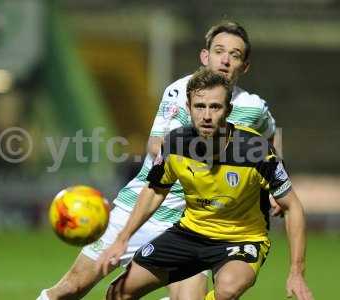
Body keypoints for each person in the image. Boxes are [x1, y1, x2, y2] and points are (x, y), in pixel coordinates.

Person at [37, 21, 280, 300]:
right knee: (72, 288)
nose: (225, 60)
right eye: (219, 51)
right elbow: (156, 145)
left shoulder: (253, 107)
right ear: (205, 56)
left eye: (234, 55)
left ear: (244, 65)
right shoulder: (182, 90)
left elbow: (267, 141)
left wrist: (270, 186)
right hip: (140, 205)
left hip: (192, 222)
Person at [98, 68, 313, 300]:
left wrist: (296, 272)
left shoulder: (255, 149)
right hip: (190, 233)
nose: (207, 115)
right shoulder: (175, 144)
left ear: (228, 110)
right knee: (118, 294)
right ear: (189, 108)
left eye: (215, 107)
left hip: (241, 239)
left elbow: (293, 206)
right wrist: (122, 239)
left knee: (228, 289)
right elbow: (154, 191)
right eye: (200, 106)